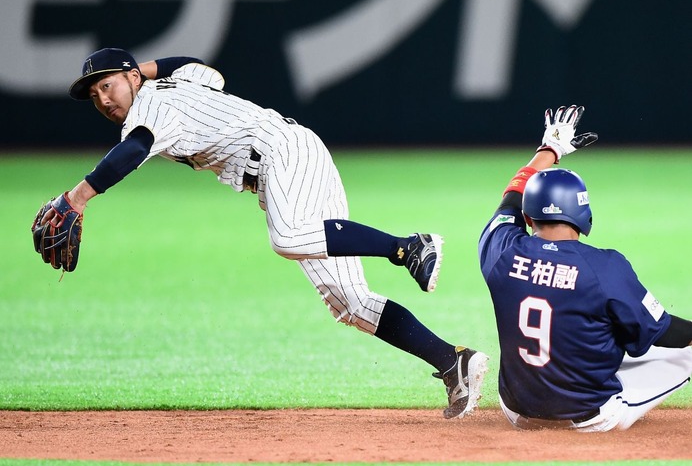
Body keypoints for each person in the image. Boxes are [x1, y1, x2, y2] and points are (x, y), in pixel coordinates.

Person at [37, 48, 489, 419]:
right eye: (95, 93)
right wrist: (143, 70)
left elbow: (131, 152)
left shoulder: (153, 106)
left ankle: (406, 246)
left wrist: (76, 197)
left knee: (289, 238)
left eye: (108, 84)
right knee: (350, 304)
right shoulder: (177, 82)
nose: (103, 99)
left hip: (283, 153)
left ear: (133, 78)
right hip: (284, 165)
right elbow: (199, 66)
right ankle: (454, 362)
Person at [478, 104, 692, 431]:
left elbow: (510, 198)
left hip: (516, 409)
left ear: (529, 217)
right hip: (589, 416)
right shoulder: (605, 266)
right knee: (677, 350)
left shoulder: (502, 251)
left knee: (609, 332)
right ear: (583, 214)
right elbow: (664, 331)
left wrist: (549, 149)